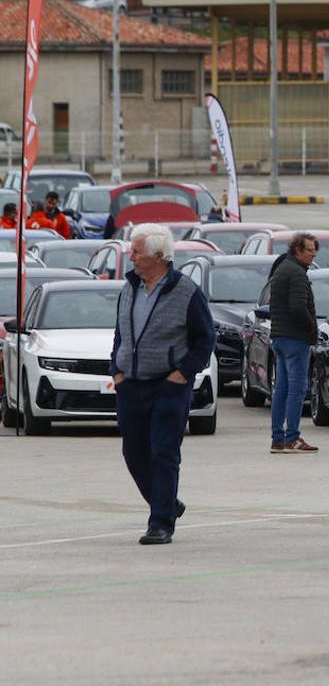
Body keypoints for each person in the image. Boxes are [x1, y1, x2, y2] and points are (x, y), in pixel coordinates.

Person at [109, 223, 215, 545]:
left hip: (168, 387)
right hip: (131, 386)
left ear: (158, 255)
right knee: (134, 453)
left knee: (163, 453)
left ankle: (160, 523)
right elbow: (120, 333)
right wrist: (117, 369)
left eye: (137, 251)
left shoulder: (186, 291)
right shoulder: (129, 288)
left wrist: (182, 374)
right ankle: (166, 501)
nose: (132, 255)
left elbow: (205, 337)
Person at [268, 232, 320, 454]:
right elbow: (298, 306)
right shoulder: (297, 273)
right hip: (294, 338)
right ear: (297, 250)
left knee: (281, 389)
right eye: (310, 250)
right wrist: (311, 328)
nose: (314, 254)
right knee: (296, 390)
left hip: (279, 337)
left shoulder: (281, 269)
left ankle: (278, 438)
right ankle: (292, 438)